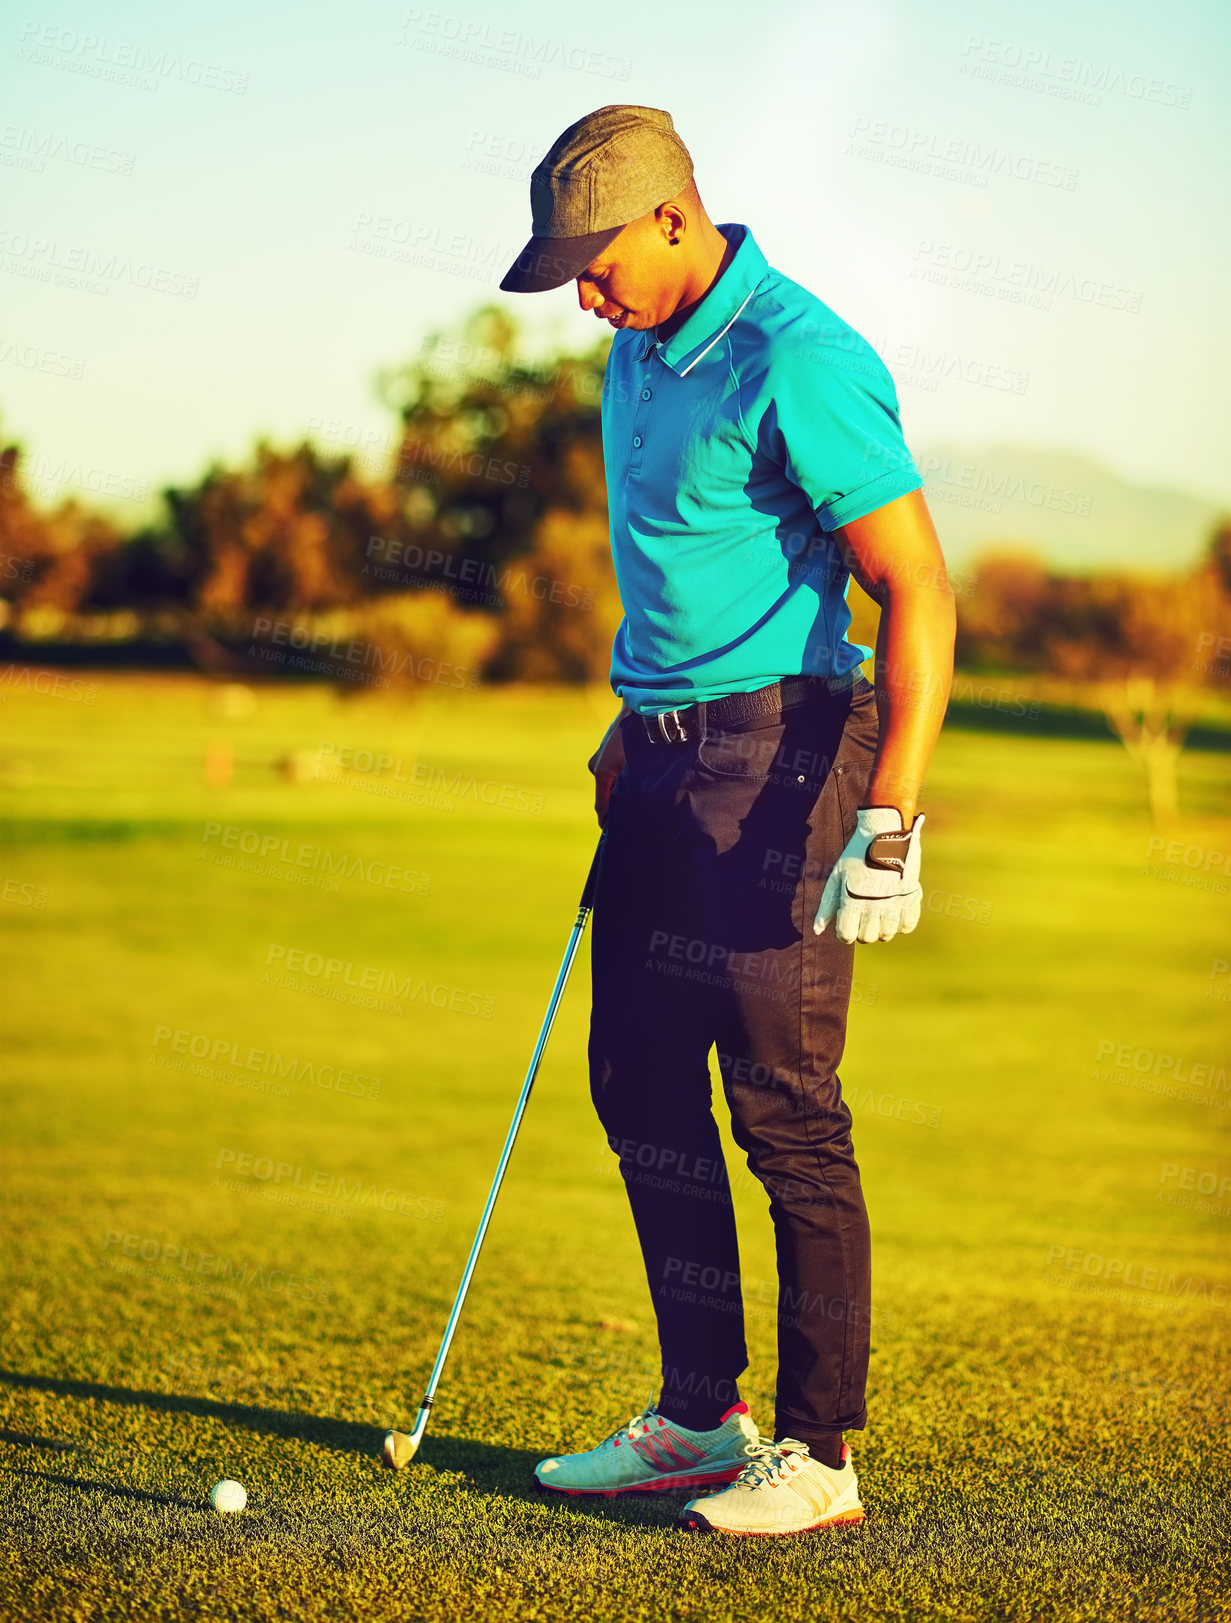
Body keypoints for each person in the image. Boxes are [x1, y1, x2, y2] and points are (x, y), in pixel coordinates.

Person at [498, 104, 955, 1538]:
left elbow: (920, 592)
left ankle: (820, 1458)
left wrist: (892, 817)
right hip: (662, 760)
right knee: (637, 1081)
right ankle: (701, 1416)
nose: (584, 298)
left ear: (677, 218)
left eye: (596, 263)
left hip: (792, 757)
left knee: (784, 1108)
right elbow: (681, 573)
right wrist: (631, 722)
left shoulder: (800, 359)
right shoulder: (636, 355)